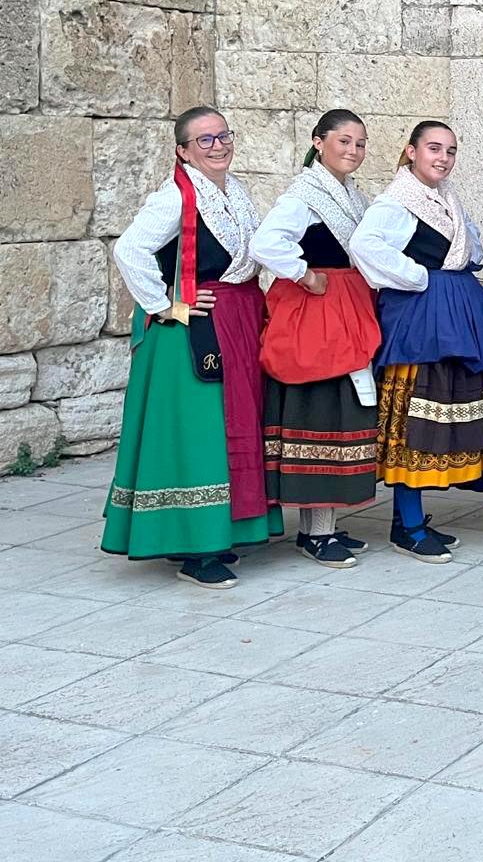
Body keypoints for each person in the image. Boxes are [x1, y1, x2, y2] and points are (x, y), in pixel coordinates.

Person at [103, 106, 283, 589]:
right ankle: (193, 546)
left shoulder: (235, 190)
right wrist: (165, 305)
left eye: (223, 135)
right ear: (183, 151)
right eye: (205, 140)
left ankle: (224, 530)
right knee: (200, 435)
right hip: (194, 331)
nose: (219, 145)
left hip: (238, 319)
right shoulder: (173, 198)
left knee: (236, 425)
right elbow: (130, 249)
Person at [349, 120, 483, 563]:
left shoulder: (445, 197)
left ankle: (410, 517)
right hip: (421, 319)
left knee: (443, 413)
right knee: (416, 416)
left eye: (450, 151)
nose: (442, 157)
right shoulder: (397, 201)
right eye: (434, 148)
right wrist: (418, 278)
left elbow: (471, 250)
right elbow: (366, 245)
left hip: (453, 314)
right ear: (411, 151)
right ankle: (409, 524)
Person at [251, 110, 382, 568]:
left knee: (339, 413)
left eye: (360, 143)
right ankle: (317, 532)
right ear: (318, 141)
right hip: (317, 315)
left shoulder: (351, 195)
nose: (353, 150)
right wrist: (303, 273)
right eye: (344, 141)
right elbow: (265, 244)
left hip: (344, 308)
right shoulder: (303, 196)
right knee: (320, 411)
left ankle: (319, 528)